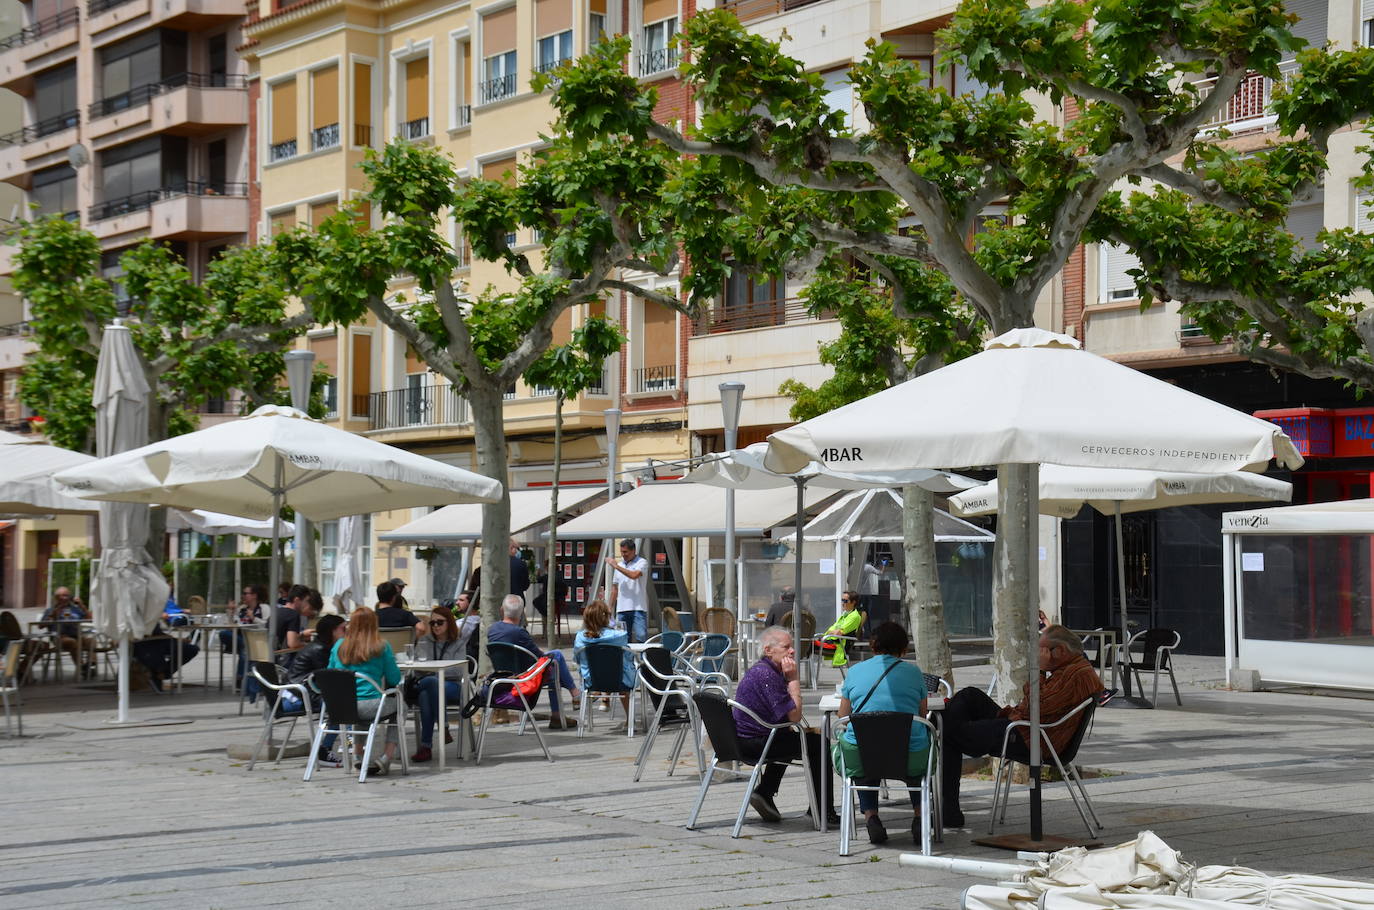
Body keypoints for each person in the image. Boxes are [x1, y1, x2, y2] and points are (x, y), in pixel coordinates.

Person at [940, 625, 1103, 829]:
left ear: (1059, 651)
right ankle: (951, 732)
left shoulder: (1077, 675)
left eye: (1042, 651)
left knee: (948, 736)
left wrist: (1040, 670)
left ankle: (948, 811)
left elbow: (1035, 707)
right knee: (969, 696)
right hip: (1023, 726)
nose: (1037, 655)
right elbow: (1032, 707)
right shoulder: (1071, 669)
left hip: (1033, 739)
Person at [834, 621, 930, 845]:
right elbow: (922, 714)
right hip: (909, 756)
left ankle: (871, 817)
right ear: (904, 648)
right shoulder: (914, 672)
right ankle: (919, 816)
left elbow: (842, 716)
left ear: (873, 645)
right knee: (916, 757)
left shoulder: (855, 671)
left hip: (862, 756)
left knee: (863, 751)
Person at [734, 626, 837, 825]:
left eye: (792, 647)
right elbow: (795, 716)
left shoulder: (760, 669)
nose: (792, 651)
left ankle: (765, 791)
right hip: (756, 743)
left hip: (742, 740)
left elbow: (785, 720)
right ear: (768, 650)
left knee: (791, 736)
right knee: (818, 743)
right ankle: (824, 812)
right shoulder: (767, 675)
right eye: (786, 647)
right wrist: (794, 680)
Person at [327, 606, 403, 776]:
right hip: (371, 705)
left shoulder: (339, 645)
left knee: (359, 710)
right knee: (400, 706)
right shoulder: (381, 646)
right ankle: (386, 757)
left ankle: (358, 755)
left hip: (343, 706)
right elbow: (395, 679)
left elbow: (330, 674)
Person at [488, 594, 580, 730]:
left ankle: (567, 703)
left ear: (502, 610)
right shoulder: (520, 632)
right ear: (522, 613)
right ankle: (571, 697)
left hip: (503, 675)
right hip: (524, 677)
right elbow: (540, 658)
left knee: (555, 665)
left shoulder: (492, 629)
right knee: (556, 659)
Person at [285, 613, 347, 767]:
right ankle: (326, 750)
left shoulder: (322, 646)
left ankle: (346, 744)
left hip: (298, 692)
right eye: (343, 629)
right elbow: (329, 678)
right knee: (343, 707)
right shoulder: (320, 650)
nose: (347, 633)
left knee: (343, 705)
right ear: (333, 631)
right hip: (298, 696)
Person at [409, 607, 471, 762]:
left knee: (430, 684)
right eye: (433, 622)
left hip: (454, 686)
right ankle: (442, 729)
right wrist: (435, 674)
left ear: (449, 623)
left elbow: (458, 671)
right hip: (430, 685)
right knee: (426, 692)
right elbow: (416, 668)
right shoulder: (425, 641)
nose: (436, 626)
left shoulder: (458, 642)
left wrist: (434, 672)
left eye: (440, 622)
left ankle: (426, 747)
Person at [573, 598, 634, 729]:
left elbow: (577, 659)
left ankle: (590, 719)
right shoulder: (619, 636)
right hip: (619, 681)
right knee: (623, 671)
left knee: (605, 669)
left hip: (592, 682)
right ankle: (630, 719)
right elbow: (628, 657)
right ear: (606, 617)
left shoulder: (580, 638)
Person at [40, 587, 94, 678]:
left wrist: (82, 605)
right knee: (71, 642)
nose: (66, 598)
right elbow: (40, 626)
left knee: (91, 641)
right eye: (63, 596)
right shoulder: (50, 610)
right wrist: (53, 616)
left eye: (67, 595)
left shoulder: (75, 609)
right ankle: (82, 667)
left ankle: (91, 664)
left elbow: (90, 619)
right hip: (60, 637)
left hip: (77, 635)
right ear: (57, 597)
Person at [132, 624, 200, 692]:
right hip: (141, 642)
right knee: (154, 658)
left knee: (191, 649)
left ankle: (165, 673)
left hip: (161, 639)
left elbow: (157, 632)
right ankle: (159, 673)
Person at [607, 538, 649, 643]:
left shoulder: (642, 562)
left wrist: (616, 566)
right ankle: (626, 659)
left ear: (633, 551)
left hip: (638, 607)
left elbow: (634, 575)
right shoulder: (620, 566)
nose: (623, 555)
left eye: (625, 552)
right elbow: (615, 588)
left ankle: (642, 658)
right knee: (623, 638)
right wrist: (609, 607)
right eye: (621, 552)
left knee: (641, 636)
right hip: (622, 608)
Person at [817, 591, 865, 667]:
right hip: (832, 642)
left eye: (845, 601)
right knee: (810, 643)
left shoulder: (854, 616)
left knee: (810, 645)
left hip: (839, 646)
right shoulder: (844, 615)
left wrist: (832, 632)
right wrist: (832, 632)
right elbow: (830, 629)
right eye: (842, 600)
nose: (843, 603)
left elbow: (838, 633)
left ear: (853, 602)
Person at [272, 584, 317, 656]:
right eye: (306, 601)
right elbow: (293, 643)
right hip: (278, 658)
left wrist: (301, 635)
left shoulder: (276, 611)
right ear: (297, 600)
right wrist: (308, 645)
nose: (307, 604)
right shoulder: (293, 615)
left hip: (267, 656)